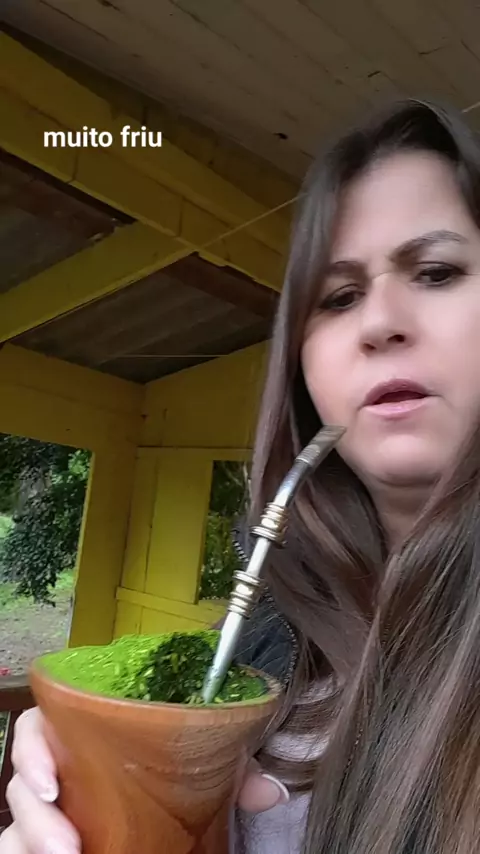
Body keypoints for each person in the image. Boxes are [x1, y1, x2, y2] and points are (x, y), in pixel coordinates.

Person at [4, 95, 480, 854]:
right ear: (303, 371)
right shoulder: (270, 638)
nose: (379, 322)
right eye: (339, 297)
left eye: (436, 271)